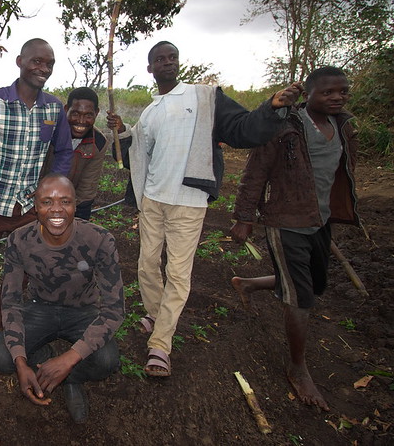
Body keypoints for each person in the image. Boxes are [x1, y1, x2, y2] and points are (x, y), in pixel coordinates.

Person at [106, 41, 301, 377]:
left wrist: (272, 106)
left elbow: (242, 128)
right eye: (159, 60)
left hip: (189, 201)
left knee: (178, 274)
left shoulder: (204, 97)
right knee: (147, 264)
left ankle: (160, 345)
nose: (167, 63)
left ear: (177, 63)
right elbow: (134, 154)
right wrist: (122, 130)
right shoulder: (151, 111)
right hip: (152, 198)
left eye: (172, 57)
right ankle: (156, 314)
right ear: (150, 68)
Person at [230, 67, 359, 411]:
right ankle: (298, 368)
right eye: (328, 92)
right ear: (309, 95)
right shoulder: (285, 126)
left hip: (320, 221)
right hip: (285, 220)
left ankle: (249, 283)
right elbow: (254, 171)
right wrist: (244, 217)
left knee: (314, 284)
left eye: (342, 92)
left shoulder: (343, 126)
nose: (336, 98)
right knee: (300, 296)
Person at [0, 38, 73, 353]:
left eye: (49, 64)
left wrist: (50, 189)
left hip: (28, 208)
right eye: (37, 61)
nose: (43, 68)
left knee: (18, 274)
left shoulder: (54, 107)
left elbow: (64, 152)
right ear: (20, 61)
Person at [0, 174, 123, 423]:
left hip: (83, 310)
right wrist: (20, 362)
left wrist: (68, 360)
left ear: (75, 204)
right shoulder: (20, 240)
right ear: (36, 206)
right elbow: (10, 301)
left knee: (107, 361)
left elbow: (114, 311)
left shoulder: (100, 240)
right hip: (40, 307)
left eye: (65, 201)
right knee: (1, 358)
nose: (56, 210)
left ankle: (69, 378)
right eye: (47, 202)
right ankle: (43, 362)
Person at [43, 87, 107, 220]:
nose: (81, 121)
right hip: (38, 198)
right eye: (76, 114)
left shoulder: (99, 143)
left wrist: (66, 210)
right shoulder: (49, 133)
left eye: (88, 115)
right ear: (66, 109)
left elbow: (86, 189)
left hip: (74, 203)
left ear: (96, 113)